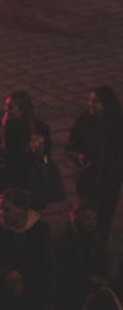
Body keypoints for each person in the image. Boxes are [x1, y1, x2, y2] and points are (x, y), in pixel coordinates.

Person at [0, 188, 49, 309]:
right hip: (1, 298)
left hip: (32, 297)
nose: (1, 213)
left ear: (21, 210)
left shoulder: (40, 231)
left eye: (7, 210)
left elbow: (47, 268)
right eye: (0, 208)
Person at [66, 86, 123, 243]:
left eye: (95, 101)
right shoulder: (83, 121)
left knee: (104, 218)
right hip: (88, 180)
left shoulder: (117, 125)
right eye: (90, 100)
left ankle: (100, 249)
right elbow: (71, 147)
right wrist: (78, 156)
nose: (90, 104)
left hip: (109, 182)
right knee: (86, 218)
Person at [0, 91, 56, 204]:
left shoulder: (38, 129)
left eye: (10, 107)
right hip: (5, 182)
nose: (6, 110)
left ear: (22, 110)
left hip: (28, 183)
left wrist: (40, 152)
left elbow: (46, 159)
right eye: (6, 105)